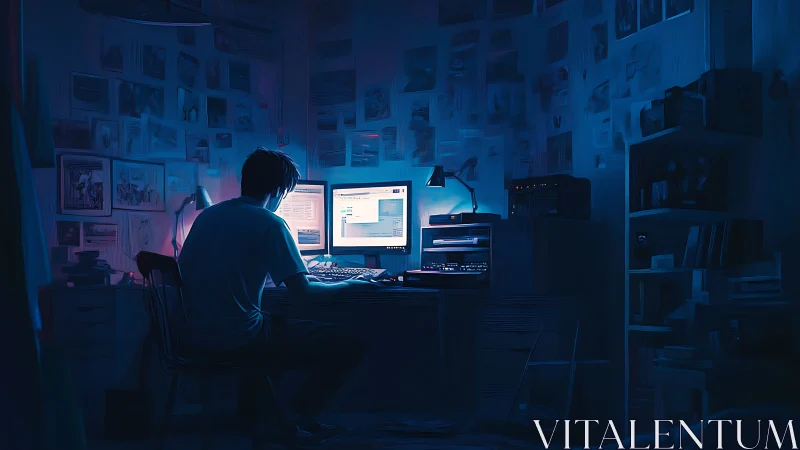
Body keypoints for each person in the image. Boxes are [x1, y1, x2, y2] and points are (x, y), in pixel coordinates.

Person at [178, 148, 378, 442]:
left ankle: (258, 420)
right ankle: (298, 416)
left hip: (190, 337)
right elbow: (305, 293)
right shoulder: (270, 223)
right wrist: (354, 283)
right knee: (351, 344)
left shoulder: (208, 216)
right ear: (278, 191)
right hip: (237, 339)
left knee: (267, 322)